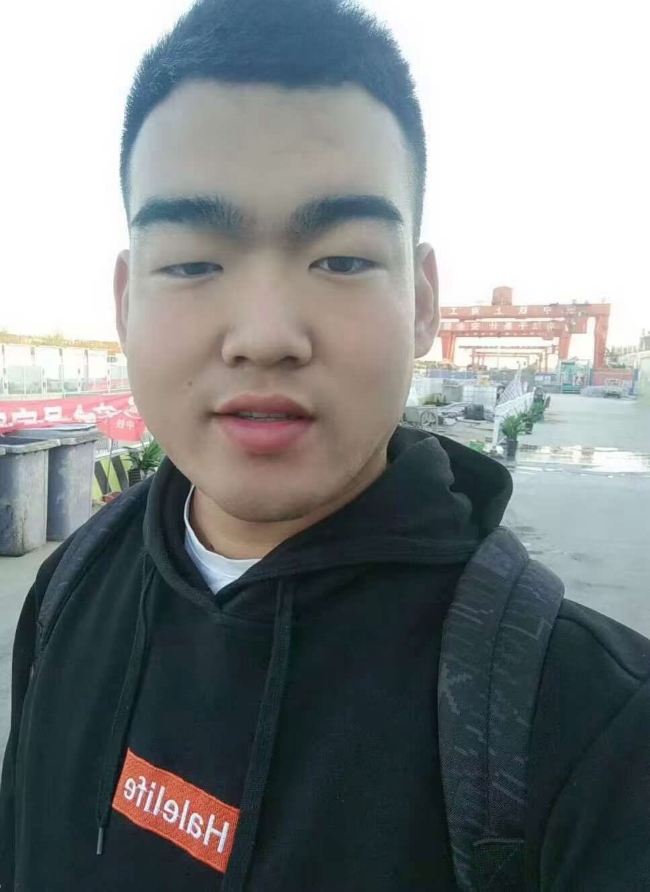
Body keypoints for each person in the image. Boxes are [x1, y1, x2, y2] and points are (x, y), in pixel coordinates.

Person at [2, 1, 649, 889]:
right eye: (192, 262)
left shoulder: (589, 729)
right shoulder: (69, 592)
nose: (266, 336)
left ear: (422, 301)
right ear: (124, 302)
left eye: (341, 260)